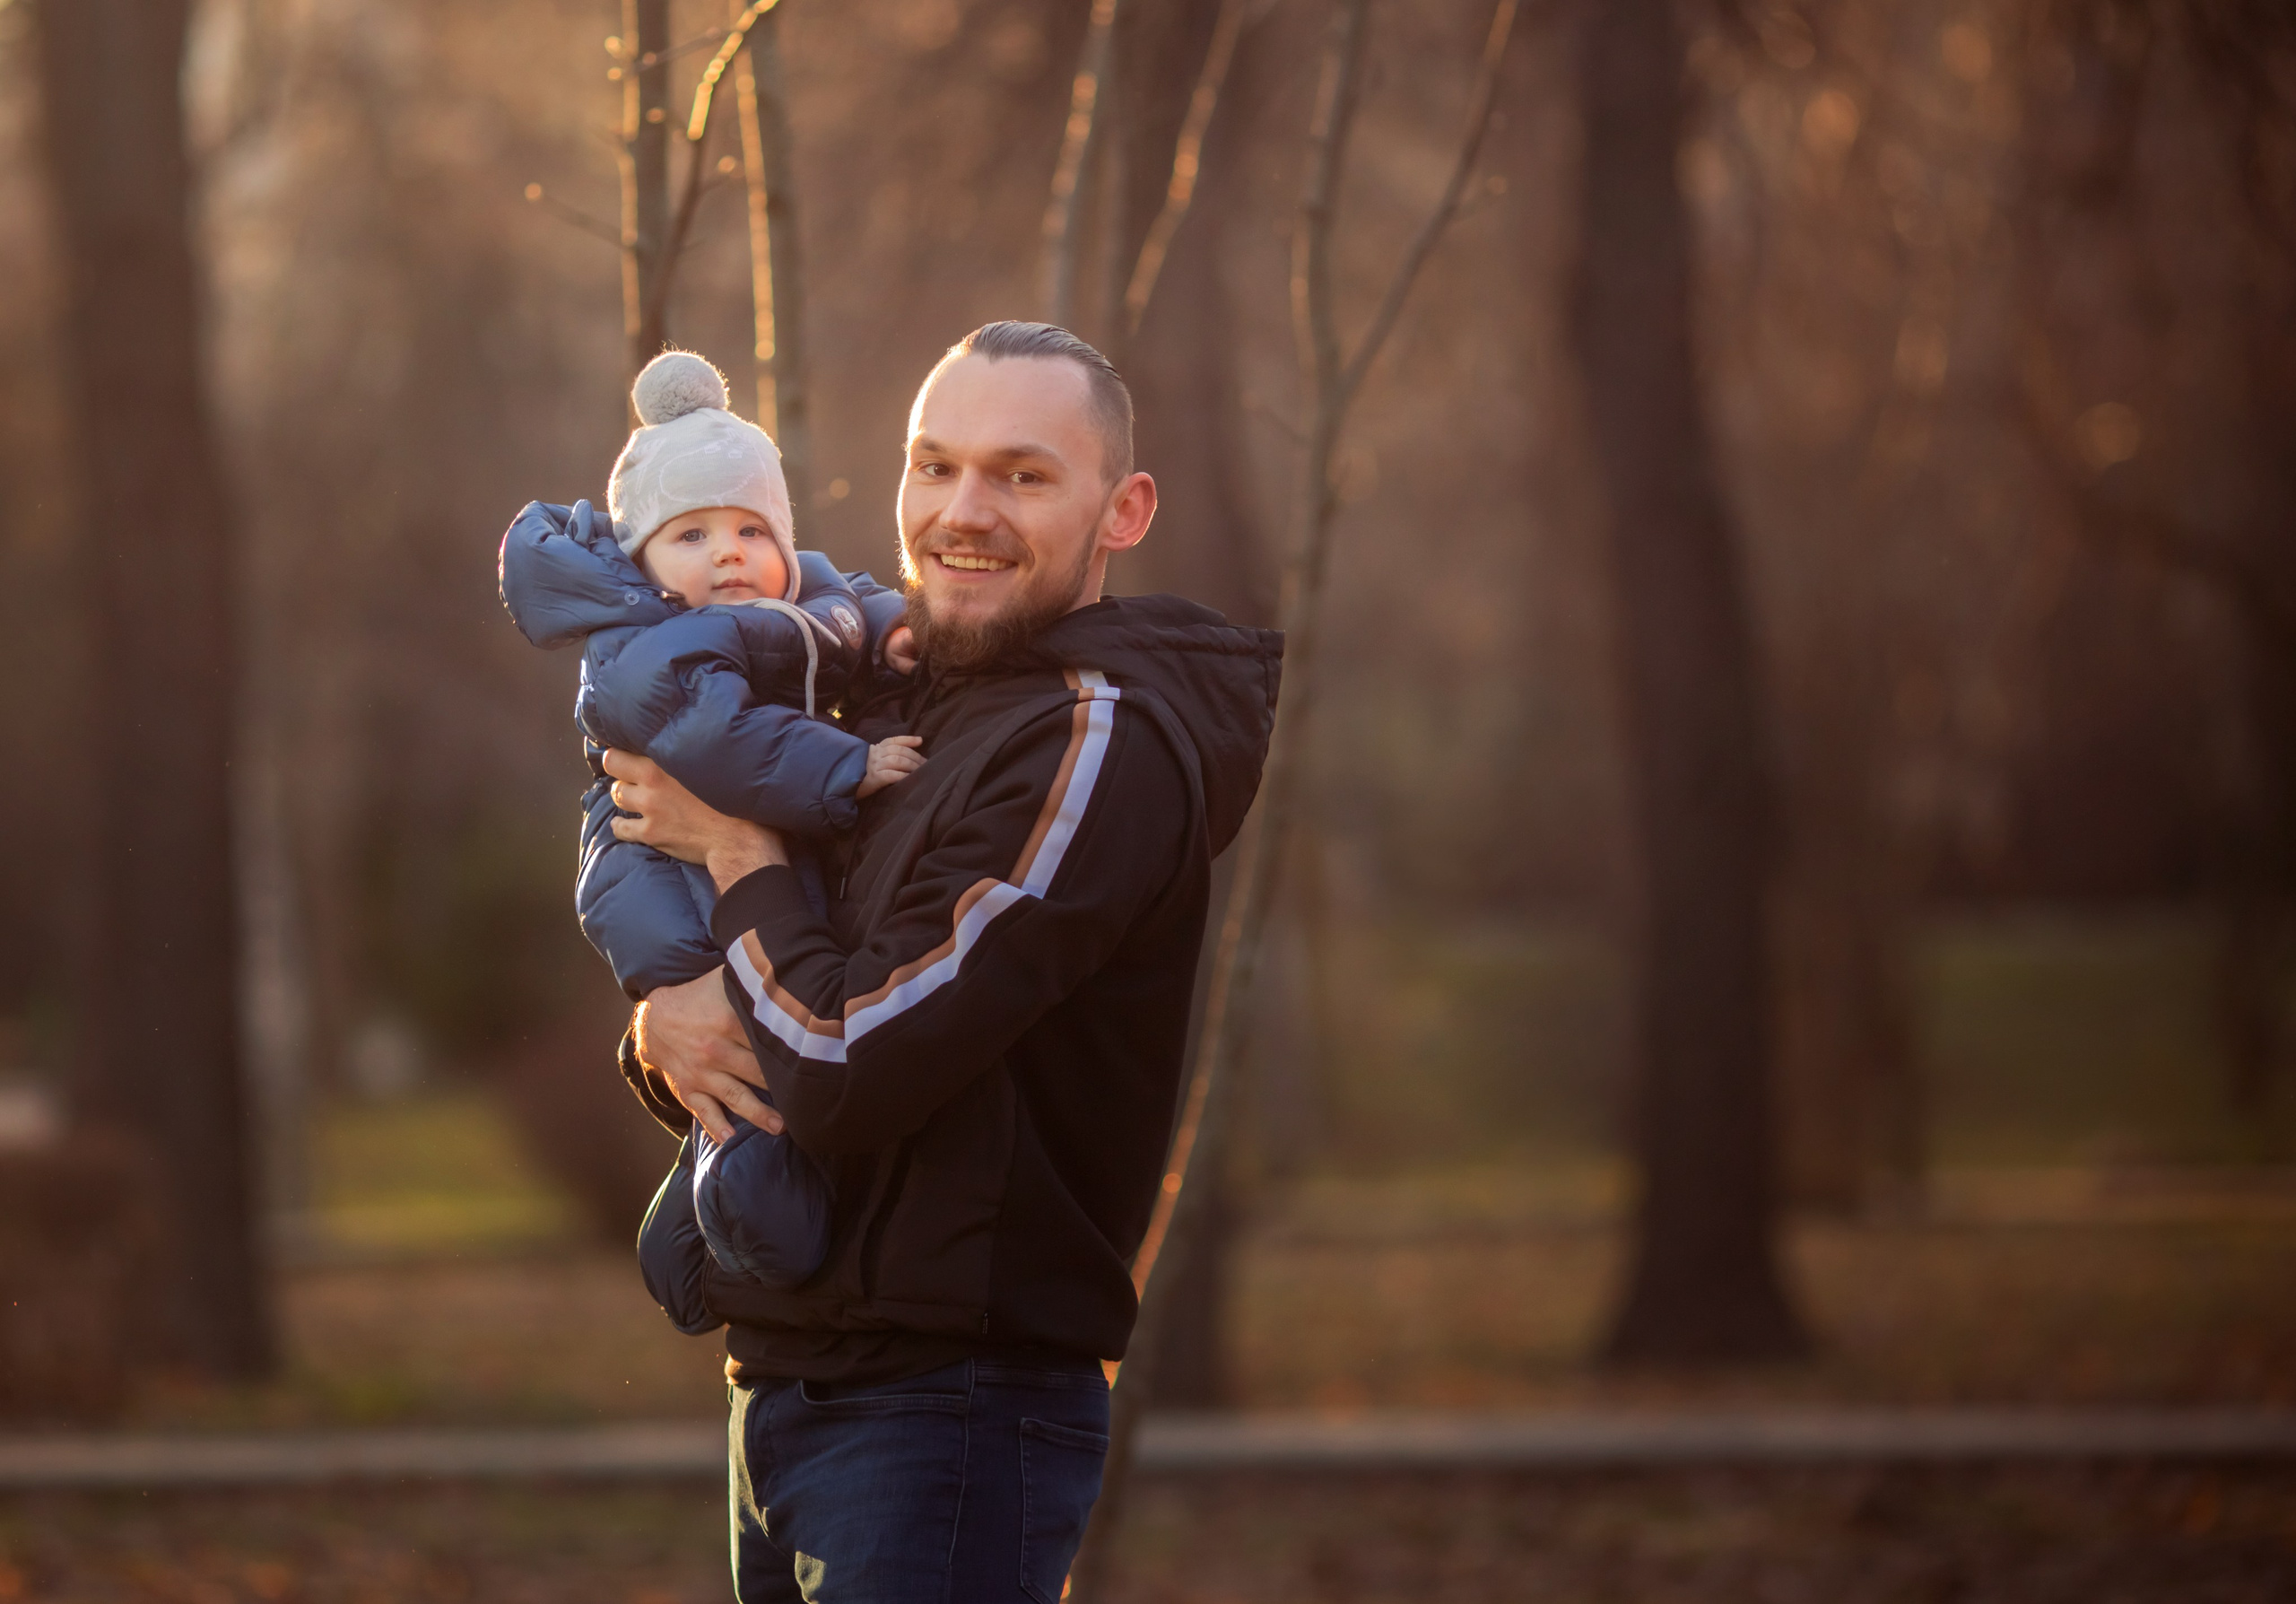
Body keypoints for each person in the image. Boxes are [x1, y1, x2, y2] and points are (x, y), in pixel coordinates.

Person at [605, 321, 1282, 1601]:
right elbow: (775, 1007)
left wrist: (740, 850)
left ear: (1122, 509)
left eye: (1022, 476)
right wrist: (664, 1026)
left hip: (949, 1412)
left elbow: (849, 1064)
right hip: (790, 1383)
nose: (962, 512)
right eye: (935, 466)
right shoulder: (882, 707)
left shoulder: (1095, 744)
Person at [499, 350, 925, 1295]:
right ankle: (743, 1229)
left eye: (748, 528)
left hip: (730, 852)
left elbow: (846, 608)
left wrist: (899, 630)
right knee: (742, 1067)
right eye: (691, 536)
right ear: (644, 564)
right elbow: (718, 742)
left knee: (751, 1065)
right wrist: (846, 765)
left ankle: (690, 1236)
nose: (729, 553)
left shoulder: (775, 600)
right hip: (659, 881)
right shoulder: (647, 651)